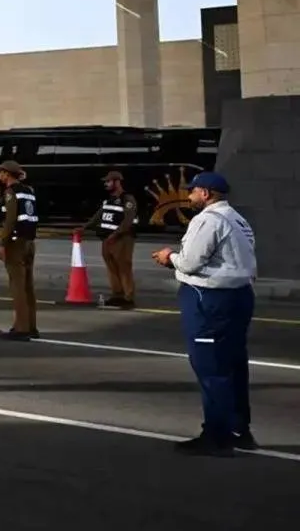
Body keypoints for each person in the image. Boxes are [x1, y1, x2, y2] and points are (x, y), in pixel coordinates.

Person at [151, 171, 258, 456]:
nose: (189, 196)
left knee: (211, 367)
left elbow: (190, 262)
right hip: (239, 295)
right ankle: (239, 430)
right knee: (234, 365)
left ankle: (217, 437)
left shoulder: (208, 220)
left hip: (209, 299)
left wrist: (169, 257)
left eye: (193, 191)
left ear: (206, 194)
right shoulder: (238, 219)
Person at [0, 160, 39, 341]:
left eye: (1, 172)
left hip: (16, 243)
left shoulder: (11, 192)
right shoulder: (29, 191)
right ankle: (31, 326)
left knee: (17, 287)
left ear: (7, 174)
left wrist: (2, 243)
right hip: (29, 241)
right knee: (28, 286)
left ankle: (21, 328)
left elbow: (10, 220)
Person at [86, 170, 139, 308]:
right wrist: (84, 227)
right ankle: (117, 295)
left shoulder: (127, 199)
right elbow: (97, 216)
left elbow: (128, 221)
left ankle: (128, 298)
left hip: (122, 239)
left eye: (108, 181)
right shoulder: (108, 200)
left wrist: (115, 235)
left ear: (117, 182)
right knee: (112, 268)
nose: (106, 184)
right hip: (107, 239)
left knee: (124, 268)